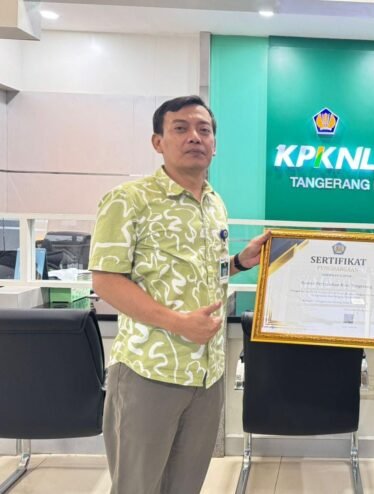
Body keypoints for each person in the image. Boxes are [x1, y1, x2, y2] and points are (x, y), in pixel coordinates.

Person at [89, 95, 269, 494]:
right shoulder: (128, 200)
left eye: (204, 130)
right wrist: (178, 324)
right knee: (137, 486)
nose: (195, 137)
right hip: (149, 373)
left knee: (186, 485)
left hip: (207, 375)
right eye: (181, 128)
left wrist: (240, 261)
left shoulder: (214, 204)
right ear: (158, 142)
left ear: (215, 145)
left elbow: (207, 271)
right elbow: (106, 280)